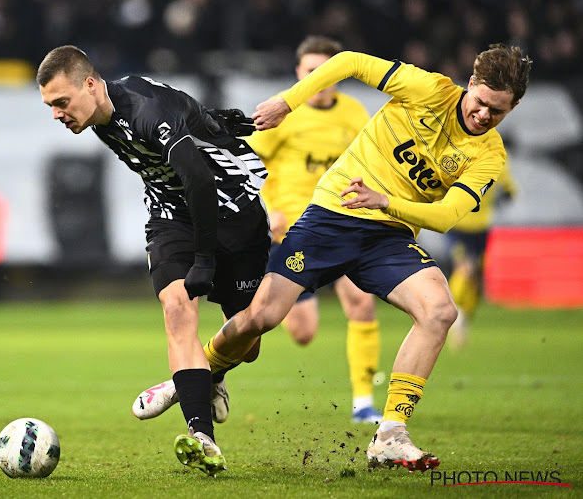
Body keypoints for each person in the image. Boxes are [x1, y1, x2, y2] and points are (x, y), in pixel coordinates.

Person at [138, 43, 530, 472]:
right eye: (481, 103)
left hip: (389, 233)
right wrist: (288, 103)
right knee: (260, 319)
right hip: (331, 216)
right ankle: (199, 374)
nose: (484, 116)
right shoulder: (429, 90)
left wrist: (383, 203)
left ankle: (390, 435)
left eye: (498, 112)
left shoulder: (489, 154)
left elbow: (447, 215)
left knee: (439, 310)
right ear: (470, 84)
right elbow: (350, 61)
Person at [36, 45, 271, 477]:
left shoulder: (142, 110)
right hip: (172, 217)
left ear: (90, 84)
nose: (57, 114)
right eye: (51, 106)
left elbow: (199, 177)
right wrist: (212, 119)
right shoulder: (101, 112)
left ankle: (204, 375)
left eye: (61, 102)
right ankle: (203, 439)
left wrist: (205, 259)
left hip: (233, 213)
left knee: (251, 339)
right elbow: (179, 110)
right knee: (177, 308)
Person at [249, 35, 383, 424]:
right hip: (295, 232)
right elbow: (248, 166)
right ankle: (220, 359)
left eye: (328, 72)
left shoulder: (355, 113)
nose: (321, 81)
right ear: (298, 73)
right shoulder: (281, 113)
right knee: (302, 332)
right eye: (312, 73)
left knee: (361, 304)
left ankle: (363, 404)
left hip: (344, 224)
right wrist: (268, 209)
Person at [446, 160, 518, 350]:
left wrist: (502, 195)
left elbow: (510, 190)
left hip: (480, 228)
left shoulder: (496, 157)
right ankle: (450, 314)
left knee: (475, 279)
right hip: (457, 224)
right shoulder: (461, 154)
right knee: (464, 268)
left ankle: (463, 319)